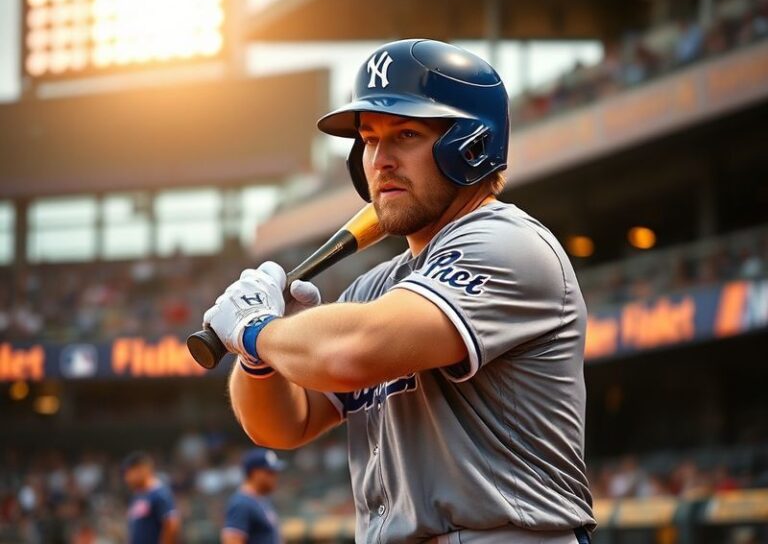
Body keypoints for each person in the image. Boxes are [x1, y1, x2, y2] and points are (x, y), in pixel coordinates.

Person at [204, 39, 595, 543]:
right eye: (369, 140)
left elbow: (350, 353)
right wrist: (258, 357)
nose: (380, 161)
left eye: (405, 134)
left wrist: (257, 328)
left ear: (470, 145)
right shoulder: (378, 287)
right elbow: (284, 425)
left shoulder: (506, 243)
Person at [221, 448, 285, 544]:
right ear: (255, 473)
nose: (275, 477)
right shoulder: (241, 503)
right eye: (270, 472)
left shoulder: (261, 500)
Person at [122, 452, 179, 544]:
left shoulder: (160, 494)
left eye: (129, 473)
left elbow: (171, 524)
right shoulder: (137, 496)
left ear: (142, 469)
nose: (127, 478)